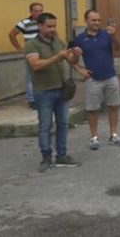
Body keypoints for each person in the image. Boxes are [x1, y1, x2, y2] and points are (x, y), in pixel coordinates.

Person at [24, 13, 82, 172]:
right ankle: (46, 157)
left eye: (54, 26)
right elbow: (35, 65)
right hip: (43, 92)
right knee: (45, 125)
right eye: (49, 26)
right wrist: (58, 56)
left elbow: (70, 60)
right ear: (40, 26)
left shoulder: (57, 41)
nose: (52, 29)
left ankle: (62, 155)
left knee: (63, 124)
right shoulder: (32, 45)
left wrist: (76, 55)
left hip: (61, 89)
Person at [72, 10, 120, 151]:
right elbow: (71, 58)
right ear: (86, 21)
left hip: (110, 76)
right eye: (93, 20)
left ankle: (113, 134)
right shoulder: (80, 39)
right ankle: (94, 137)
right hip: (93, 79)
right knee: (92, 109)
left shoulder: (106, 35)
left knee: (113, 106)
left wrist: (113, 36)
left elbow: (119, 48)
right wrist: (79, 69)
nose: (96, 23)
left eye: (98, 20)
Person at [9, 2, 44, 110]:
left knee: (43, 76)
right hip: (31, 52)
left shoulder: (44, 22)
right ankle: (32, 100)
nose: (38, 13)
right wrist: (19, 49)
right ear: (31, 12)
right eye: (36, 11)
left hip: (44, 52)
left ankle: (42, 98)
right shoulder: (24, 23)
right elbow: (12, 34)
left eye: (40, 11)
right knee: (30, 77)